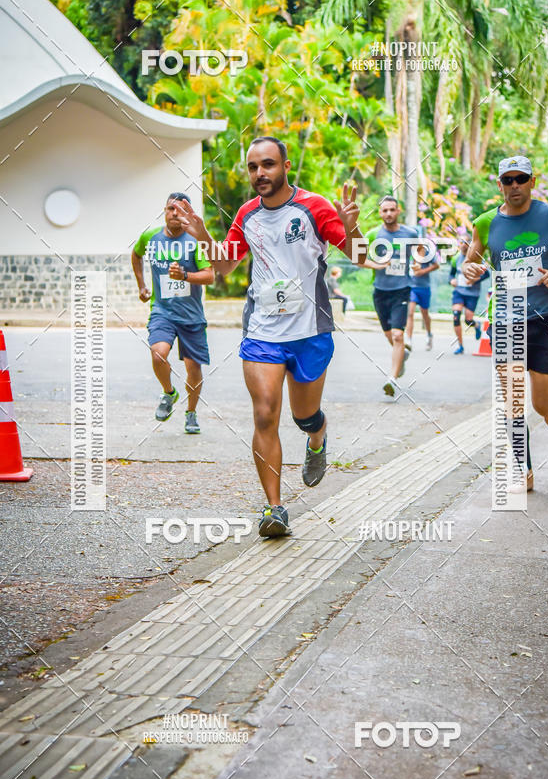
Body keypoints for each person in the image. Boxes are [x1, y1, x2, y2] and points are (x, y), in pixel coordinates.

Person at [172, 137, 365, 537]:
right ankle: (274, 508)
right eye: (253, 167)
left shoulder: (314, 208)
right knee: (264, 413)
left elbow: (361, 256)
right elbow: (224, 267)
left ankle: (317, 437)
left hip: (311, 330)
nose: (260, 173)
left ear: (286, 166)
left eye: (268, 165)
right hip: (262, 331)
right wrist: (204, 234)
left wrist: (354, 228)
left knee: (304, 416)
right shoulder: (247, 214)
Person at [464, 155, 548, 491]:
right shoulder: (486, 222)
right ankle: (524, 471)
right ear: (500, 184)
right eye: (508, 180)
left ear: (532, 181)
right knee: (512, 402)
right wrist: (469, 268)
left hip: (546, 319)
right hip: (506, 319)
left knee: (539, 403)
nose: (514, 186)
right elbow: (469, 262)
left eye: (521, 179)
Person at [131, 193, 215, 434]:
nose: (174, 214)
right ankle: (169, 392)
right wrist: (142, 285)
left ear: (187, 214)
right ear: (164, 211)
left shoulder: (194, 241)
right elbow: (136, 254)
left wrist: (185, 276)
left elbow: (209, 275)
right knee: (158, 354)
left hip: (191, 315)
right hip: (162, 311)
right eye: (170, 209)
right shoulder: (151, 237)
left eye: (179, 210)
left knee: (193, 368)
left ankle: (191, 413)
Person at [363, 196, 419, 396]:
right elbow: (358, 259)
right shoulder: (372, 234)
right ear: (380, 213)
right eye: (384, 210)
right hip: (380, 291)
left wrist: (417, 263)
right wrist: (377, 264)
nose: (388, 213)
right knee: (390, 335)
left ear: (398, 210)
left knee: (398, 334)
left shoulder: (410, 233)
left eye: (391, 210)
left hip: (401, 289)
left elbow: (420, 250)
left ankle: (392, 380)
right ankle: (401, 355)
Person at [448, 236, 487, 354]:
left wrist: (474, 280)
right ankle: (460, 345)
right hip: (459, 291)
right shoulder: (456, 259)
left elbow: (486, 274)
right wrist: (451, 281)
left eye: (466, 242)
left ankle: (476, 325)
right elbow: (451, 274)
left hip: (472, 293)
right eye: (461, 242)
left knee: (468, 320)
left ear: (470, 244)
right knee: (456, 316)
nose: (464, 245)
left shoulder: (477, 257)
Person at [405, 240, 439, 351]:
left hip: (424, 287)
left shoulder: (427, 252)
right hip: (411, 287)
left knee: (425, 314)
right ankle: (408, 340)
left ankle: (429, 335)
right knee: (410, 313)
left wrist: (423, 271)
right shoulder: (407, 252)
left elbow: (436, 265)